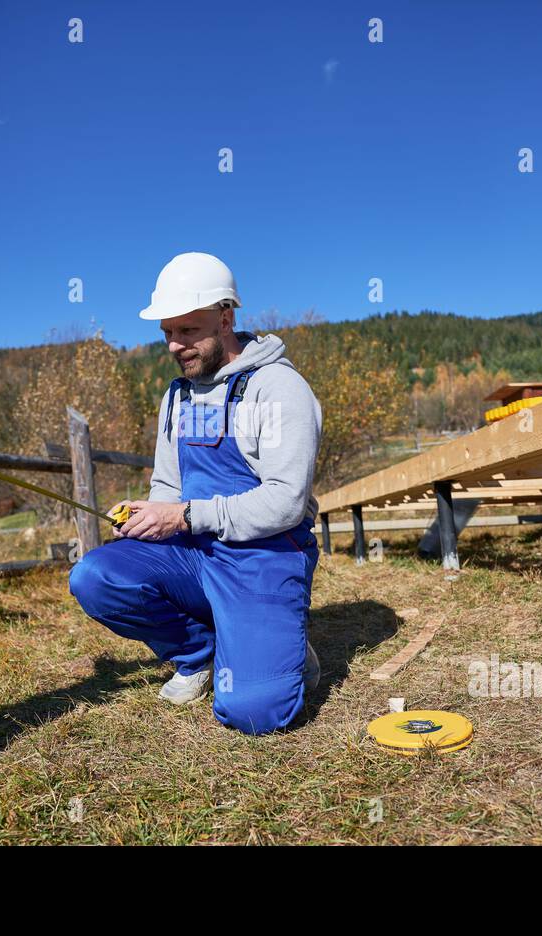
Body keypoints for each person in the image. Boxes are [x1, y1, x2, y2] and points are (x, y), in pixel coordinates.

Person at [69, 252, 323, 735]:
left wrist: (184, 516)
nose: (173, 345)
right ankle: (199, 650)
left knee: (254, 712)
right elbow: (167, 487)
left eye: (187, 330)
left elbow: (286, 502)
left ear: (226, 317)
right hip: (195, 552)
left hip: (263, 555)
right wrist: (146, 516)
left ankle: (278, 639)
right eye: (167, 331)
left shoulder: (277, 388)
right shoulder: (178, 396)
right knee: (94, 576)